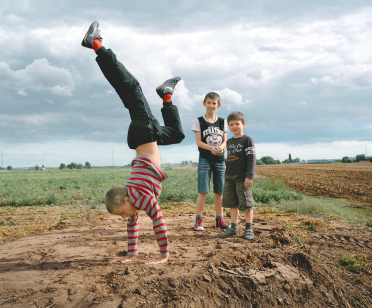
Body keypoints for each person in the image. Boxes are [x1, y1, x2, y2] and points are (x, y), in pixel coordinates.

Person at [81, 21, 185, 264]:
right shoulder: (135, 199)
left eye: (121, 213)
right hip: (145, 138)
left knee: (131, 89)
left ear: (126, 200)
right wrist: (131, 255)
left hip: (144, 133)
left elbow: (158, 221)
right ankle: (166, 95)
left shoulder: (141, 197)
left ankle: (96, 45)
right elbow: (133, 227)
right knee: (177, 134)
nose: (123, 217)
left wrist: (164, 257)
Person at [191, 92, 229, 231]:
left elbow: (225, 141)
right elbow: (199, 142)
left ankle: (220, 220)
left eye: (214, 103)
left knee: (220, 191)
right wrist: (211, 148)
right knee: (203, 191)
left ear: (218, 105)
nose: (211, 105)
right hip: (205, 160)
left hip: (220, 161)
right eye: (209, 102)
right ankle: (198, 221)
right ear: (204, 103)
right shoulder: (198, 121)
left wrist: (220, 148)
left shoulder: (222, 121)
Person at [219, 111, 256, 239]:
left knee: (246, 204)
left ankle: (249, 228)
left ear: (243, 124)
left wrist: (249, 176)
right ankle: (234, 228)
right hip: (229, 178)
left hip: (242, 178)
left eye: (237, 124)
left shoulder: (247, 140)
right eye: (231, 125)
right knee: (232, 204)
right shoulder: (229, 142)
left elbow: (251, 159)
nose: (234, 127)